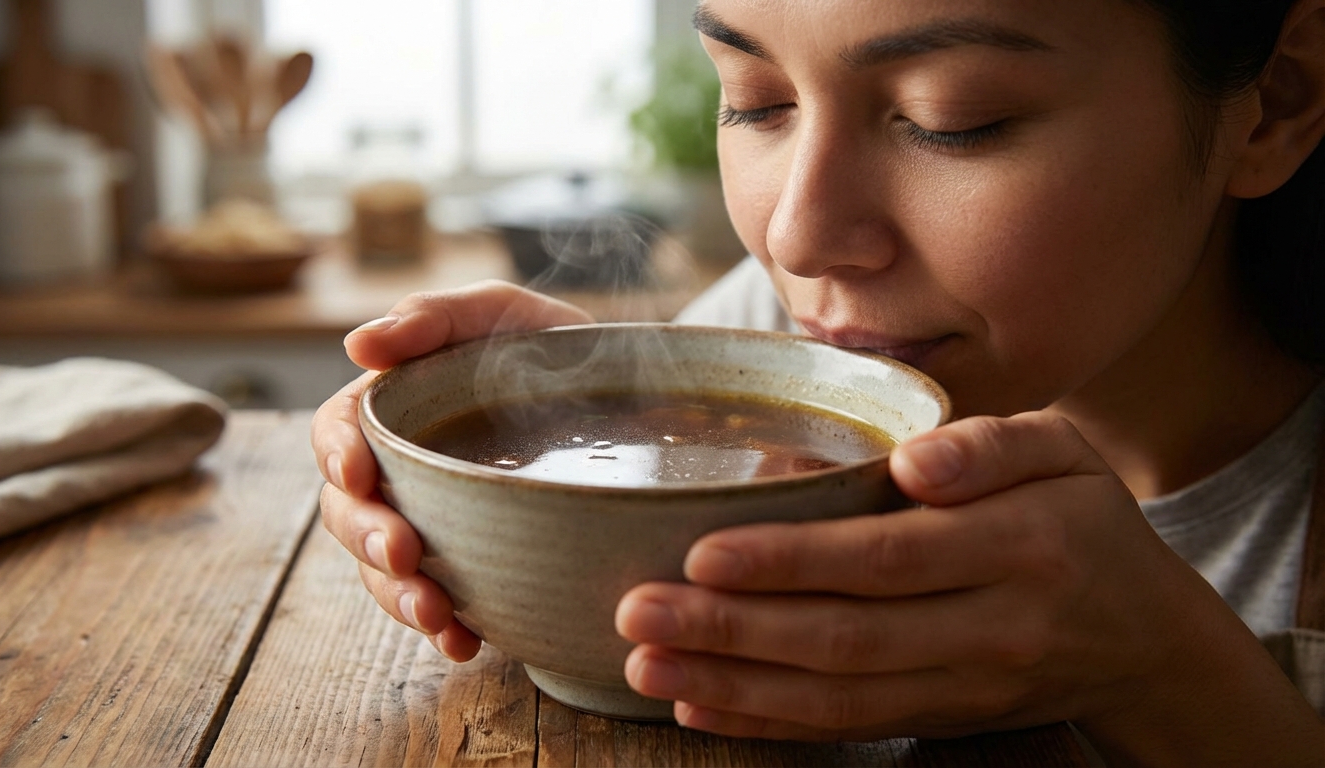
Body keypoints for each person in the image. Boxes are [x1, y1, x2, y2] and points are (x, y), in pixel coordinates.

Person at [312, 0, 1325, 763]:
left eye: (948, 121)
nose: (795, 236)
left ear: (1274, 104)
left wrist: (1163, 668)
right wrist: (555, 418)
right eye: (756, 102)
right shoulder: (789, 325)